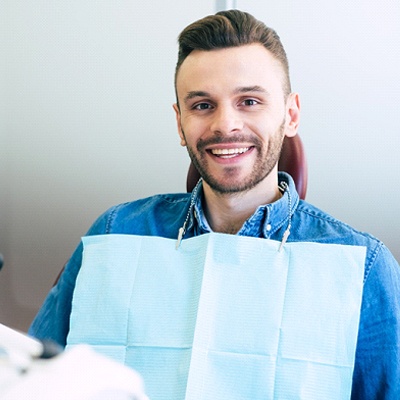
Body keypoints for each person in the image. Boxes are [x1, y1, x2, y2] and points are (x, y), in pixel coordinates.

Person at [29, 9, 400, 399]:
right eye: (203, 105)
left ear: (290, 115)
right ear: (179, 123)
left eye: (250, 101)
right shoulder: (116, 233)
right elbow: (32, 378)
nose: (226, 125)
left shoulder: (363, 266)